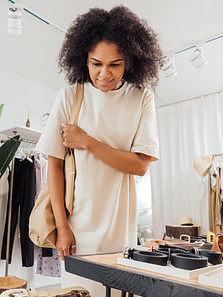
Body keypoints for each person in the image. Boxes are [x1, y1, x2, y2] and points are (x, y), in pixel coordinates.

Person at [37, 5, 162, 262]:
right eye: (96, 64)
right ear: (84, 59)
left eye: (115, 65)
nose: (104, 74)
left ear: (130, 61)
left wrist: (87, 142)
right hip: (76, 228)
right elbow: (54, 166)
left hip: (121, 230)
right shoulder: (70, 97)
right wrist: (62, 227)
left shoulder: (141, 98)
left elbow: (140, 166)